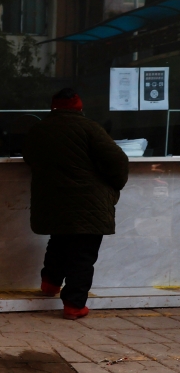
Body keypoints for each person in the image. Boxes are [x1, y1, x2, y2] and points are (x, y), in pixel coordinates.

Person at [22, 88, 128, 320]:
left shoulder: (38, 130)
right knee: (83, 254)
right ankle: (74, 305)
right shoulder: (90, 128)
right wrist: (114, 185)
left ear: (53, 107)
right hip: (88, 201)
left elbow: (29, 158)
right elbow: (117, 160)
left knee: (59, 241)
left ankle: (50, 284)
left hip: (52, 200)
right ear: (79, 107)